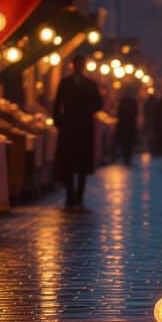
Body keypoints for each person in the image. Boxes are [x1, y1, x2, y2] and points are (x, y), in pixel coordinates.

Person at [53, 54, 103, 209]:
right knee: (68, 161)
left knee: (82, 162)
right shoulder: (65, 83)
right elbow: (57, 103)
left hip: (83, 127)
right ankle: (70, 193)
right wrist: (59, 121)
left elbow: (98, 104)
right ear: (74, 66)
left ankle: (79, 194)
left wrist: (88, 111)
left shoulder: (90, 84)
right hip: (69, 126)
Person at [115, 87, 139, 166]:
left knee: (124, 142)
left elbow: (118, 112)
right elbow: (136, 112)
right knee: (129, 143)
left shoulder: (122, 101)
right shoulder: (133, 101)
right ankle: (128, 158)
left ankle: (126, 157)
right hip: (130, 125)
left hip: (123, 125)